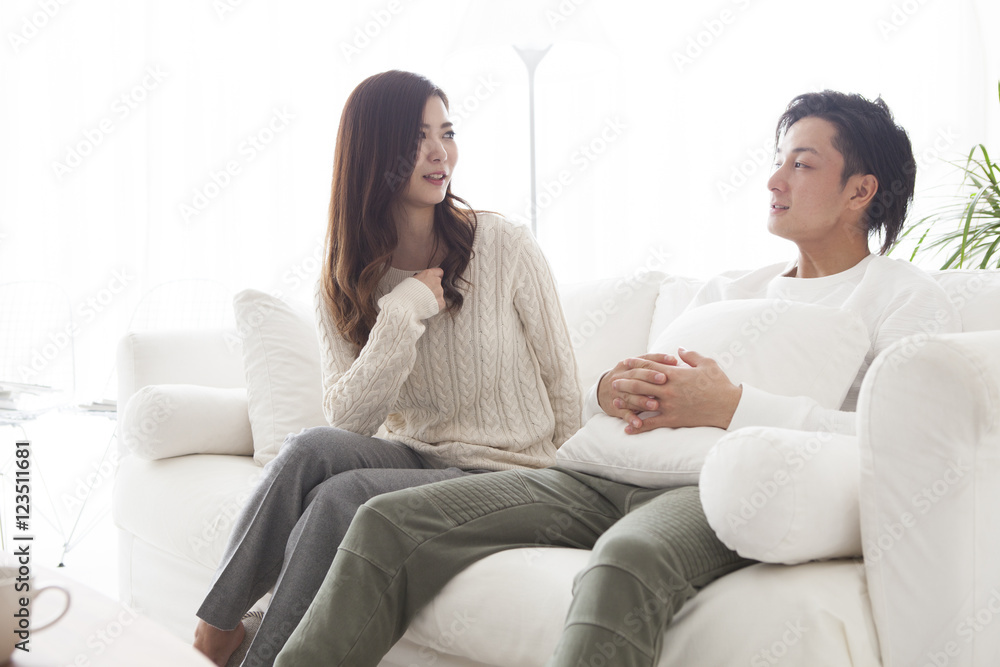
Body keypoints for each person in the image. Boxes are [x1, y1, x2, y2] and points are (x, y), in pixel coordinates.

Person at [273, 90, 962, 667]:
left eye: (801, 165)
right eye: (777, 161)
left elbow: (902, 444)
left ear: (860, 191)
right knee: (386, 517)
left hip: (714, 489)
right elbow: (596, 395)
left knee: (626, 561)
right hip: (601, 471)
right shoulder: (727, 289)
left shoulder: (900, 299)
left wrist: (734, 407)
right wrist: (608, 388)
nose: (774, 180)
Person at [192, 70, 581, 667]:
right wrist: (403, 311)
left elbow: (561, 375)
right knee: (307, 451)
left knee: (343, 498)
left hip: (508, 468)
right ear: (372, 152)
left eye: (446, 133)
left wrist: (573, 485)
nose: (438, 152)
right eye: (416, 136)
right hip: (416, 454)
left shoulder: (503, 245)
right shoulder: (346, 279)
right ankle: (215, 631)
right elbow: (349, 419)